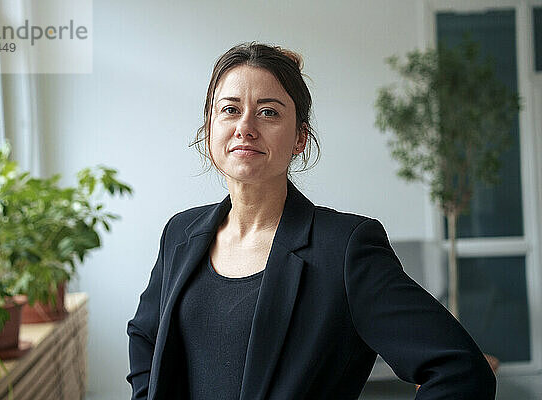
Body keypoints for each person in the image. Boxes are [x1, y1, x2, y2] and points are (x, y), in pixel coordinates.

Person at [126, 42, 496, 400]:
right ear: (209, 128)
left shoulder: (345, 248)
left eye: (268, 112)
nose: (245, 127)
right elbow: (145, 336)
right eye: (229, 109)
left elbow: (459, 370)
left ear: (301, 137)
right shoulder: (181, 233)